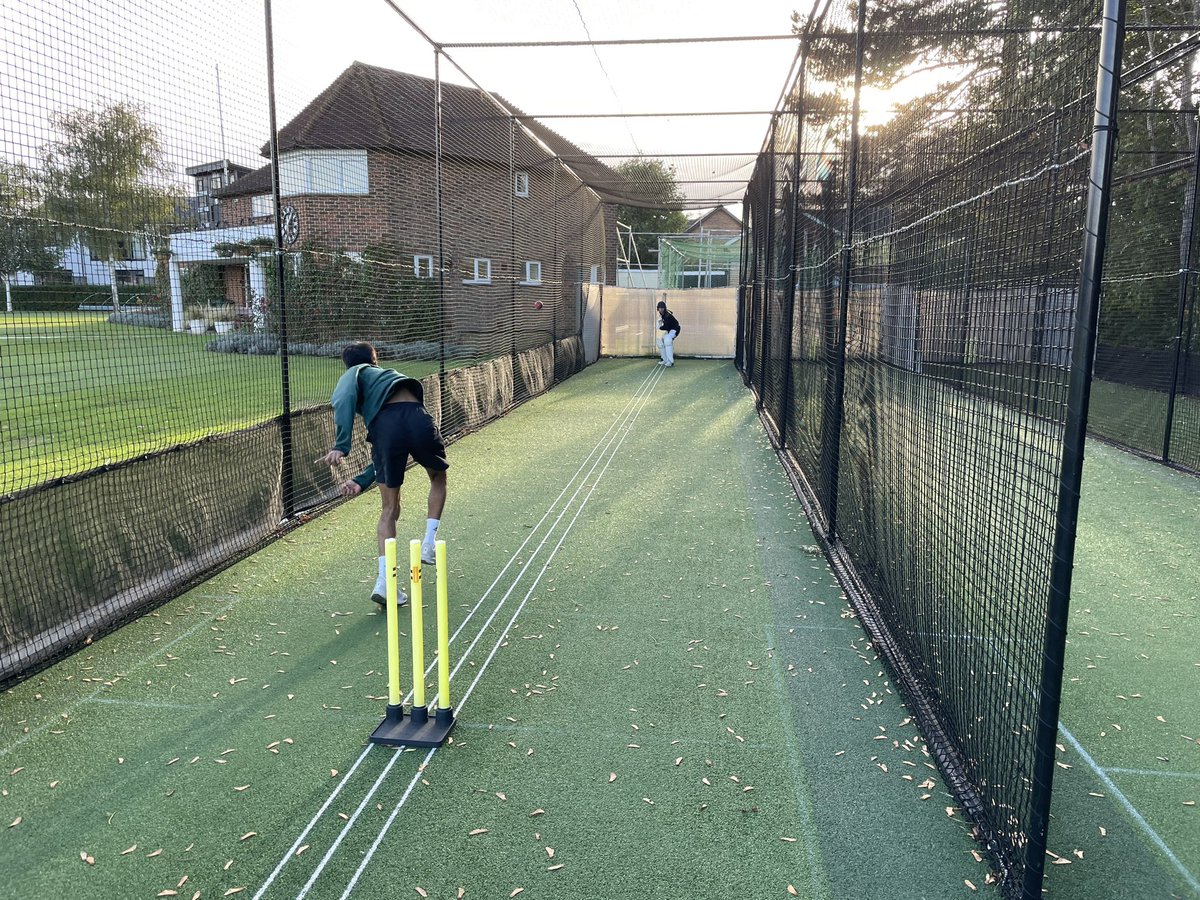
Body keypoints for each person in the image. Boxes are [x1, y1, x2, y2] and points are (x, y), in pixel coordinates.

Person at [322, 342, 449, 607]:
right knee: (438, 477)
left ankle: (385, 581)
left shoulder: (354, 373)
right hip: (417, 417)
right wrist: (361, 479)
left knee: (389, 508)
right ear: (374, 359)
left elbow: (344, 399)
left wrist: (341, 445)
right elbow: (397, 428)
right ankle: (428, 543)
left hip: (387, 427)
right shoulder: (388, 376)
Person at [656, 299, 681, 367]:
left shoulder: (667, 316)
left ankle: (670, 361)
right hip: (669, 330)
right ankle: (665, 360)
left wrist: (659, 326)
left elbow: (666, 327)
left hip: (675, 329)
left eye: (662, 308)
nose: (661, 309)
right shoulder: (662, 315)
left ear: (664, 308)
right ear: (658, 308)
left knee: (667, 340)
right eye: (660, 308)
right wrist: (659, 323)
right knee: (659, 342)